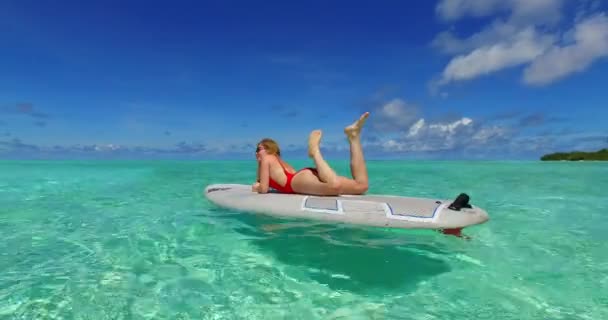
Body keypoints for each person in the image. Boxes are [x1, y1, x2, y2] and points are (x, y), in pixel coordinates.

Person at [252, 112, 370, 196]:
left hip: (296, 182)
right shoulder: (277, 161)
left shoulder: (266, 159)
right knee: (361, 185)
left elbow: (263, 189)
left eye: (259, 149)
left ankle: (315, 151)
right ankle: (354, 137)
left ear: (268, 149)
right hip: (305, 177)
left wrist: (257, 187)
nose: (257, 153)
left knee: (335, 187)